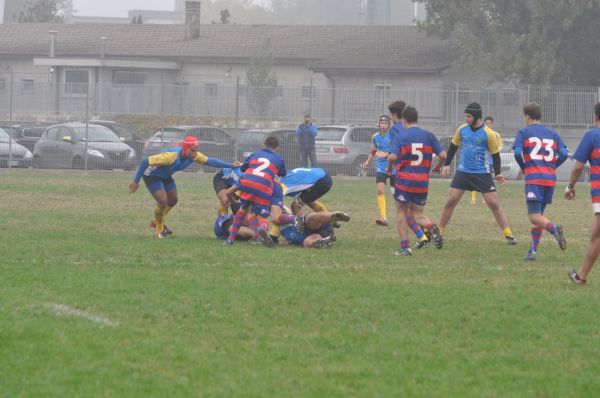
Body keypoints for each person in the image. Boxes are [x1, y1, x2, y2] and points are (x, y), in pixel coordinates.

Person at [129, 136, 239, 238]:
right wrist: (136, 181)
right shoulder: (170, 157)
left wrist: (231, 165)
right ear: (186, 149)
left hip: (166, 175)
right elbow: (145, 162)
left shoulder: (193, 156)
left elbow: (210, 161)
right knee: (162, 201)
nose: (195, 153)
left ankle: (156, 221)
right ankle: (159, 230)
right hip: (152, 175)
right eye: (193, 150)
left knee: (173, 200)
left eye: (196, 149)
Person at [439, 102, 517, 245]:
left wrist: (498, 173)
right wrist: (446, 164)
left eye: (468, 116)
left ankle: (508, 234)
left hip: (481, 173)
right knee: (451, 200)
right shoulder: (462, 129)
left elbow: (495, 155)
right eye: (466, 116)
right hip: (463, 171)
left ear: (476, 116)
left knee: (493, 203)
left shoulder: (489, 133)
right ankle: (439, 232)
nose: (466, 119)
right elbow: (453, 146)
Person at [386, 106, 446, 256]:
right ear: (416, 119)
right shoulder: (428, 135)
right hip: (422, 182)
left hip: (405, 181)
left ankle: (405, 247)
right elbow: (443, 155)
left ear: (403, 120)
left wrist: (389, 168)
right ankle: (431, 226)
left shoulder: (401, 136)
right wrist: (438, 167)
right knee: (417, 214)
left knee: (401, 210)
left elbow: (392, 157)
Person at [514, 102, 569, 261]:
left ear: (528, 117)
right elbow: (564, 154)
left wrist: (524, 168)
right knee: (540, 216)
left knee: (533, 216)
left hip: (534, 178)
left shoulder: (523, 132)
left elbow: (518, 153)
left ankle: (554, 229)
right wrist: (552, 166)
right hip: (550, 179)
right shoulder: (552, 133)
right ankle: (533, 251)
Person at [223, 136, 287, 247]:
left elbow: (243, 168)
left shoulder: (254, 154)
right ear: (277, 148)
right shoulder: (279, 158)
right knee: (262, 217)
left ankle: (230, 240)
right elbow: (282, 173)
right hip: (264, 184)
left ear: (263, 144)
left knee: (243, 211)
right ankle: (263, 229)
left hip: (247, 181)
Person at [565, 102, 600, 284]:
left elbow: (578, 166)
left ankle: (581, 276)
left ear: (595, 117)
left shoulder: (592, 135)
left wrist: (570, 186)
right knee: (596, 234)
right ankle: (581, 276)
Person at [362, 115, 396, 226]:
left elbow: (397, 152)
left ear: (389, 125)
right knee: (380, 191)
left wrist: (386, 154)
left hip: (393, 168)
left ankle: (404, 215)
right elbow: (374, 151)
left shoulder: (393, 136)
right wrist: (367, 161)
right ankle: (384, 218)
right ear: (379, 124)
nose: (383, 125)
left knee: (396, 195)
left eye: (385, 123)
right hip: (381, 168)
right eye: (381, 123)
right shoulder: (375, 137)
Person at [471, 116, 503, 205]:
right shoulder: (480, 133)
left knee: (487, 180)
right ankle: (473, 199)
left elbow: (500, 145)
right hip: (480, 161)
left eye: (490, 123)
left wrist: (495, 149)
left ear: (492, 124)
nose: (488, 125)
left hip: (491, 161)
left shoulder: (496, 134)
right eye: (486, 123)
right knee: (474, 178)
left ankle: (485, 199)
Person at [278, 210, 351, 248]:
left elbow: (282, 218)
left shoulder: (285, 222)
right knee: (307, 242)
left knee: (310, 219)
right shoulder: (283, 232)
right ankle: (324, 241)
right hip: (318, 234)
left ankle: (333, 216)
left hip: (314, 225)